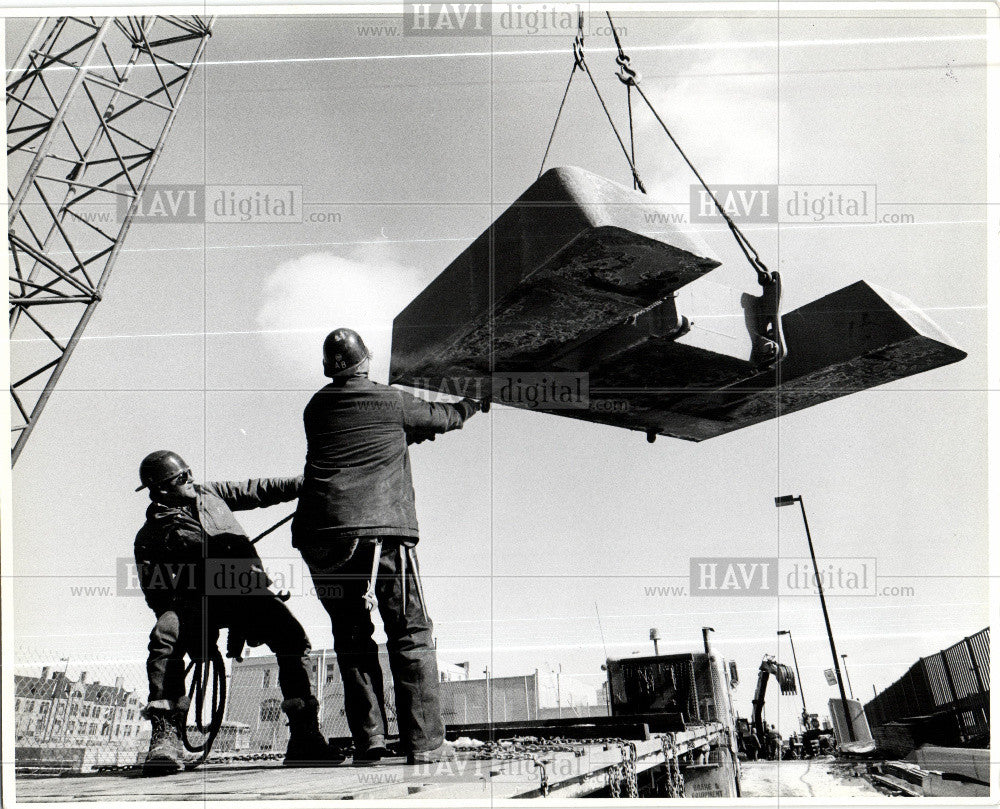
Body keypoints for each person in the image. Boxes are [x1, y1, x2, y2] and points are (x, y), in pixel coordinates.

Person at [292, 328, 481, 765]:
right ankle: (426, 743)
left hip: (323, 537)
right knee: (410, 633)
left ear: (327, 367)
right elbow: (441, 417)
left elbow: (367, 436)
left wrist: (402, 434)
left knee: (352, 638)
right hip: (381, 530)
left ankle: (369, 741)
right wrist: (473, 404)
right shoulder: (391, 401)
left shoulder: (315, 407)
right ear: (368, 360)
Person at [133, 450, 341, 774]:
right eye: (181, 478)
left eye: (189, 472)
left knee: (291, 636)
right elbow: (156, 594)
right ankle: (166, 739)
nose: (190, 479)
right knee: (164, 636)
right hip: (192, 605)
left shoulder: (211, 493)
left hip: (243, 590)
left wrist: (310, 483)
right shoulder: (148, 537)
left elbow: (258, 490)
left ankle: (305, 737)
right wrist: (196, 638)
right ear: (160, 490)